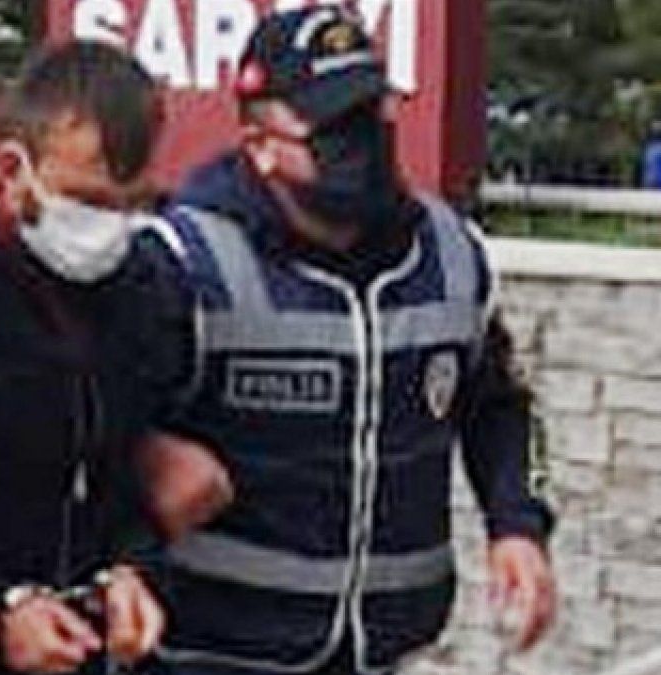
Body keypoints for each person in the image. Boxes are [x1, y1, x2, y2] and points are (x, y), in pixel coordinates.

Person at [152, 7, 558, 674]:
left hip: (386, 653)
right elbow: (90, 429)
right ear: (259, 145)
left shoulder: (450, 255)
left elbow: (502, 405)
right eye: (334, 128)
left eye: (372, 115)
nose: (361, 143)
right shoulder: (182, 263)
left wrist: (517, 523)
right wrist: (147, 460)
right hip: (210, 652)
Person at [0, 42, 215, 675]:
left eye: (133, 203)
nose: (109, 227)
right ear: (11, 169)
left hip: (92, 646)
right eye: (88, 200)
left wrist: (134, 570)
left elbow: (126, 479)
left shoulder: (143, 293)